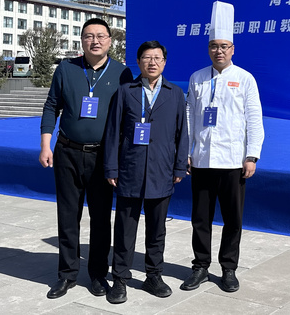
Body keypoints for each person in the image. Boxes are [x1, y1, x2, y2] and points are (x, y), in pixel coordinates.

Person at [39, 18, 133, 299]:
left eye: (101, 36)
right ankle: (67, 274)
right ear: (81, 40)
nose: (95, 41)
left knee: (101, 219)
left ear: (110, 41)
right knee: (68, 216)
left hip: (103, 156)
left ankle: (98, 274)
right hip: (67, 152)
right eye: (89, 36)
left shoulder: (122, 73)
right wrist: (45, 145)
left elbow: (128, 115)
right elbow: (51, 106)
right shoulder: (66, 69)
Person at [182, 1, 264, 293]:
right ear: (208, 49)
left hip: (232, 161)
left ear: (233, 49)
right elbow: (190, 116)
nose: (219, 51)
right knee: (200, 219)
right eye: (214, 46)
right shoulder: (197, 78)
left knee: (233, 219)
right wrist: (186, 151)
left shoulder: (244, 79)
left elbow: (254, 119)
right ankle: (200, 266)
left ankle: (228, 268)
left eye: (224, 46)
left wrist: (251, 155)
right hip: (202, 159)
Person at [103, 40, 189, 304]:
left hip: (162, 170)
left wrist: (179, 166)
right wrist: (111, 167)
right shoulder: (125, 92)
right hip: (130, 169)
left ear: (164, 62)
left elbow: (182, 133)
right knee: (124, 229)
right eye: (147, 58)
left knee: (157, 229)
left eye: (157, 58)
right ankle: (120, 279)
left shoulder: (175, 93)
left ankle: (154, 275)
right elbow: (113, 132)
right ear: (138, 62)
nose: (152, 62)